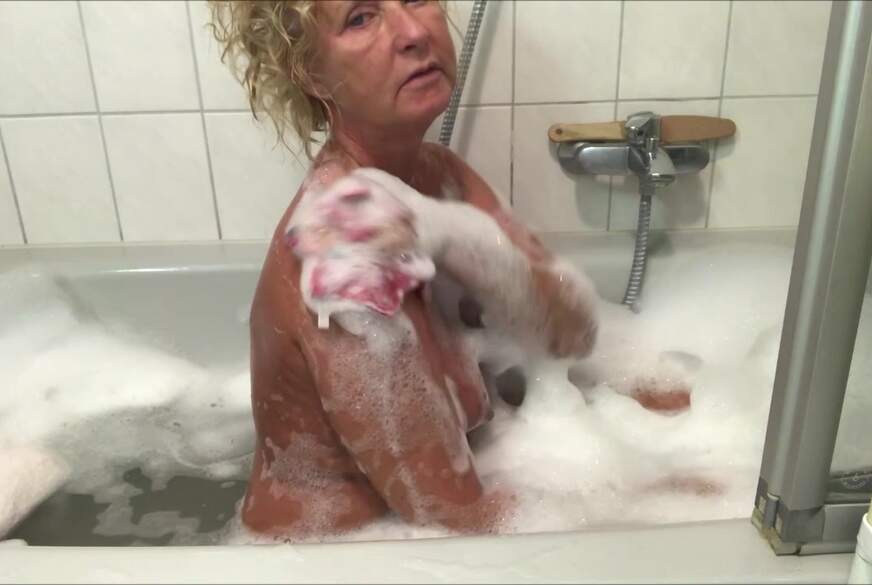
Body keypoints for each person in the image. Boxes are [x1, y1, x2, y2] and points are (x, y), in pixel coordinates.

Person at [210, 0, 603, 539]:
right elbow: (453, 520)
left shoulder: (440, 179)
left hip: (415, 536)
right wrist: (640, 504)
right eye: (360, 17)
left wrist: (455, 237)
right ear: (312, 74)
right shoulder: (341, 255)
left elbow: (571, 335)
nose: (414, 32)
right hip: (327, 558)